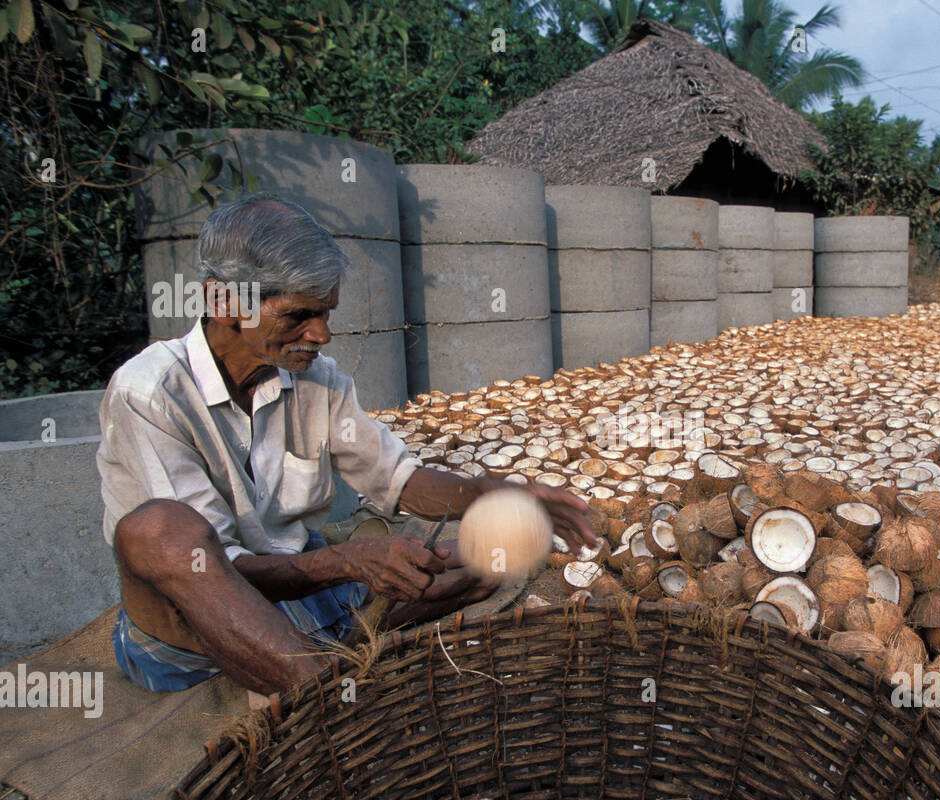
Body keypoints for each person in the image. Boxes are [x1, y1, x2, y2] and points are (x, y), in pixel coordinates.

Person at [98, 195, 596, 695]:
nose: (322, 334)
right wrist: (347, 561)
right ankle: (323, 695)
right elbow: (213, 566)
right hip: (196, 618)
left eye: (326, 313)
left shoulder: (319, 380)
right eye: (299, 315)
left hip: (299, 586)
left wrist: (500, 494)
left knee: (489, 559)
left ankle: (326, 641)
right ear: (224, 302)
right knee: (159, 529)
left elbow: (399, 482)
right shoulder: (150, 393)